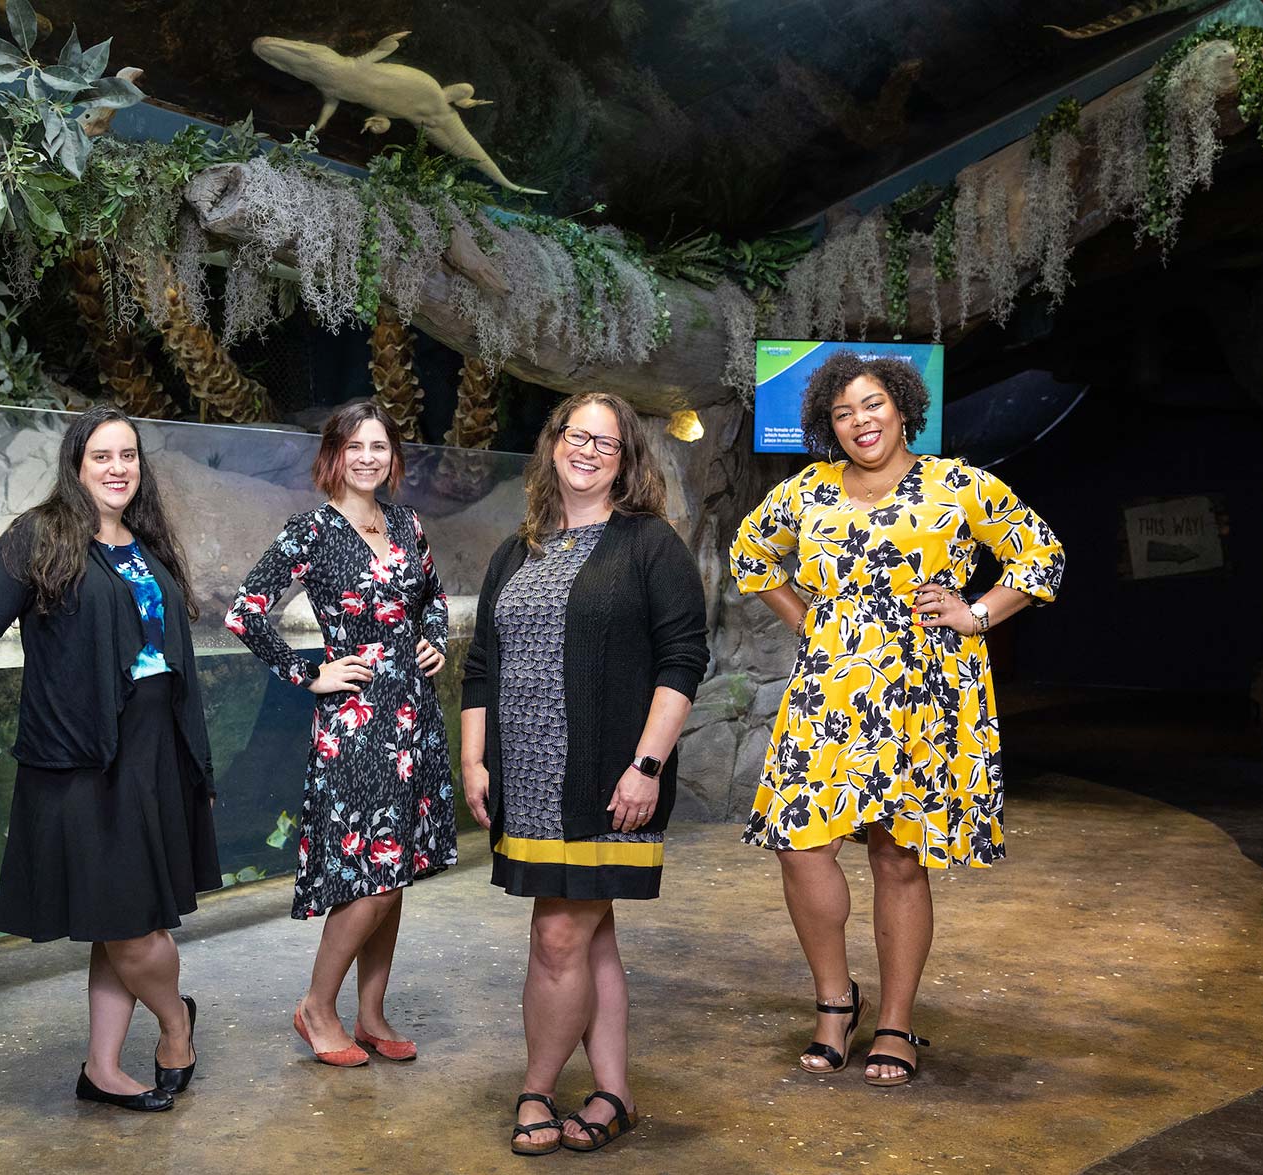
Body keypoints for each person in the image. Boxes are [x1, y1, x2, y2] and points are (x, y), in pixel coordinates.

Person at [0, 406, 218, 1113]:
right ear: (76, 464)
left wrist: (194, 765)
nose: (118, 468)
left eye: (129, 455)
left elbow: (176, 665)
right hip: (83, 762)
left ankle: (104, 1067)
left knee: (119, 918)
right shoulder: (40, 535)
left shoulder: (148, 544)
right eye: (102, 456)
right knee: (129, 925)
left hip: (154, 756)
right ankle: (177, 1021)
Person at [729, 350, 1064, 1087]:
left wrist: (976, 615)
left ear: (904, 407)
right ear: (827, 425)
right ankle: (834, 999)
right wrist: (809, 620)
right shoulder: (806, 491)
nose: (860, 421)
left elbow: (1041, 556)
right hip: (829, 691)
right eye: (843, 412)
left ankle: (897, 1020)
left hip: (922, 691)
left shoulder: (958, 484)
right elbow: (750, 556)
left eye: (873, 404)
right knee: (800, 842)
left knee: (896, 854)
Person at [461, 392, 708, 1155]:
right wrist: (473, 757)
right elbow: (479, 667)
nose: (590, 450)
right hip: (527, 788)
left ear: (627, 458)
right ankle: (615, 1093)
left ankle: (535, 1086)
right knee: (591, 937)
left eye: (608, 442)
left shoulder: (649, 544)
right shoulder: (518, 548)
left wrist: (647, 766)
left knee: (559, 936)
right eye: (578, 435)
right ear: (554, 443)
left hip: (608, 782)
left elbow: (683, 660)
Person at [225, 402, 456, 1067]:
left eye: (379, 446)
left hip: (415, 718)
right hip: (356, 725)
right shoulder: (312, 531)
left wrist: (433, 639)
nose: (367, 457)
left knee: (399, 869)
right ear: (335, 453)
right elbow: (245, 611)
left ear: (392, 456)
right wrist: (309, 671)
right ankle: (316, 1006)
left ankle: (372, 1013)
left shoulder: (409, 524)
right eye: (355, 445)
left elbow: (433, 595)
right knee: (374, 876)